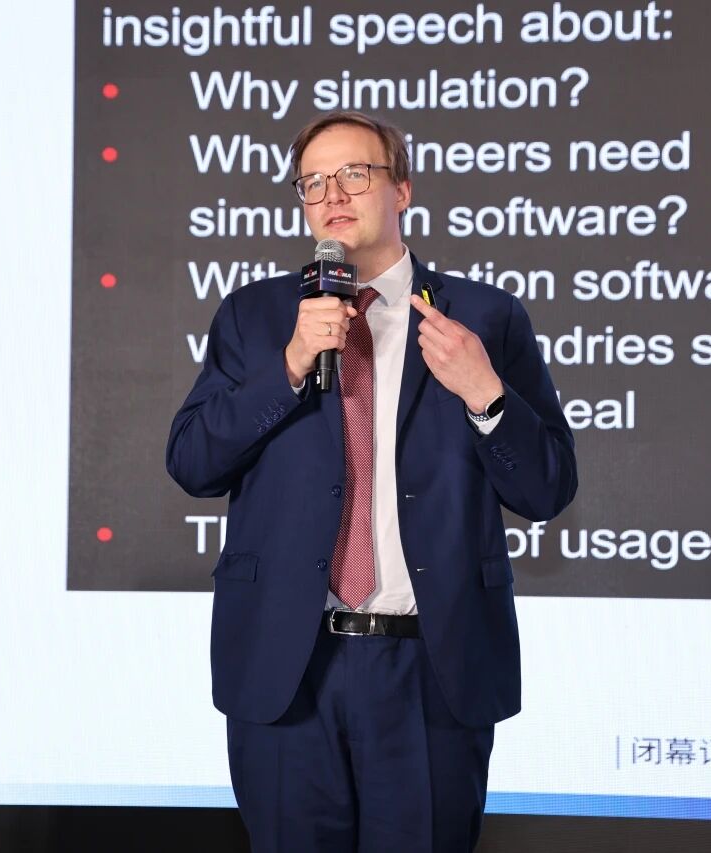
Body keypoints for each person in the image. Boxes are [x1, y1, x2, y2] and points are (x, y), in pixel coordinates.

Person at [166, 110, 576, 852]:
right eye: (312, 182)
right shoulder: (255, 317)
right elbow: (192, 462)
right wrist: (289, 366)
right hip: (290, 666)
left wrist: (484, 392)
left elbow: (546, 488)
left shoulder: (484, 317)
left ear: (402, 190)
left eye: (354, 174)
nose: (331, 195)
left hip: (431, 671)